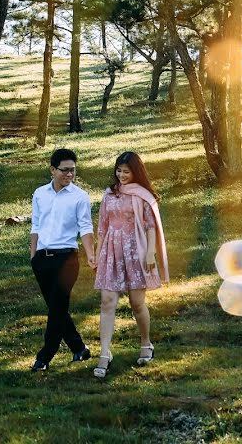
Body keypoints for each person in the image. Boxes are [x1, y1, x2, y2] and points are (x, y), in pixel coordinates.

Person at [93, 151, 169, 378]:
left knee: (137, 303)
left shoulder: (142, 196)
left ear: (136, 172)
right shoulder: (109, 195)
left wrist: (150, 254)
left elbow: (150, 226)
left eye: (126, 171)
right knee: (107, 302)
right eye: (119, 170)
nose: (121, 175)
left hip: (136, 252)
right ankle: (104, 354)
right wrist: (97, 255)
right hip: (111, 252)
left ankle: (146, 343)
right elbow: (102, 226)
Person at [29, 148, 96, 372]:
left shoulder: (80, 197)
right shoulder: (39, 194)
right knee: (57, 309)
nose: (69, 175)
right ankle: (79, 348)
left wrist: (91, 254)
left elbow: (86, 228)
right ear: (52, 170)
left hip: (67, 259)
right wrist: (33, 256)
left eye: (73, 171)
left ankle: (44, 357)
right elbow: (36, 225)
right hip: (42, 259)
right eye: (65, 170)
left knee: (56, 309)